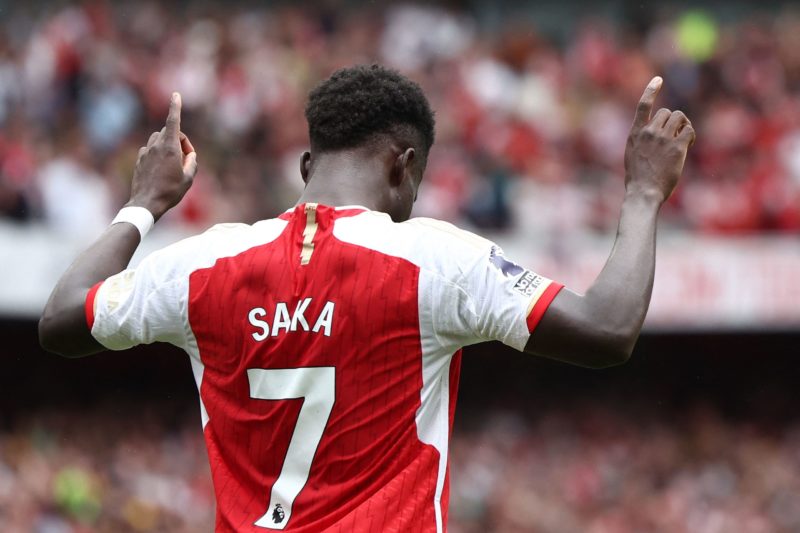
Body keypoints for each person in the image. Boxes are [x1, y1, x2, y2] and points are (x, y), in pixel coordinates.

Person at [38, 65, 694, 532]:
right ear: (401, 166)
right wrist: (641, 194)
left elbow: (62, 319)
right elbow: (608, 328)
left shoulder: (199, 264)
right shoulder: (434, 259)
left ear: (306, 166)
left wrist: (144, 205)